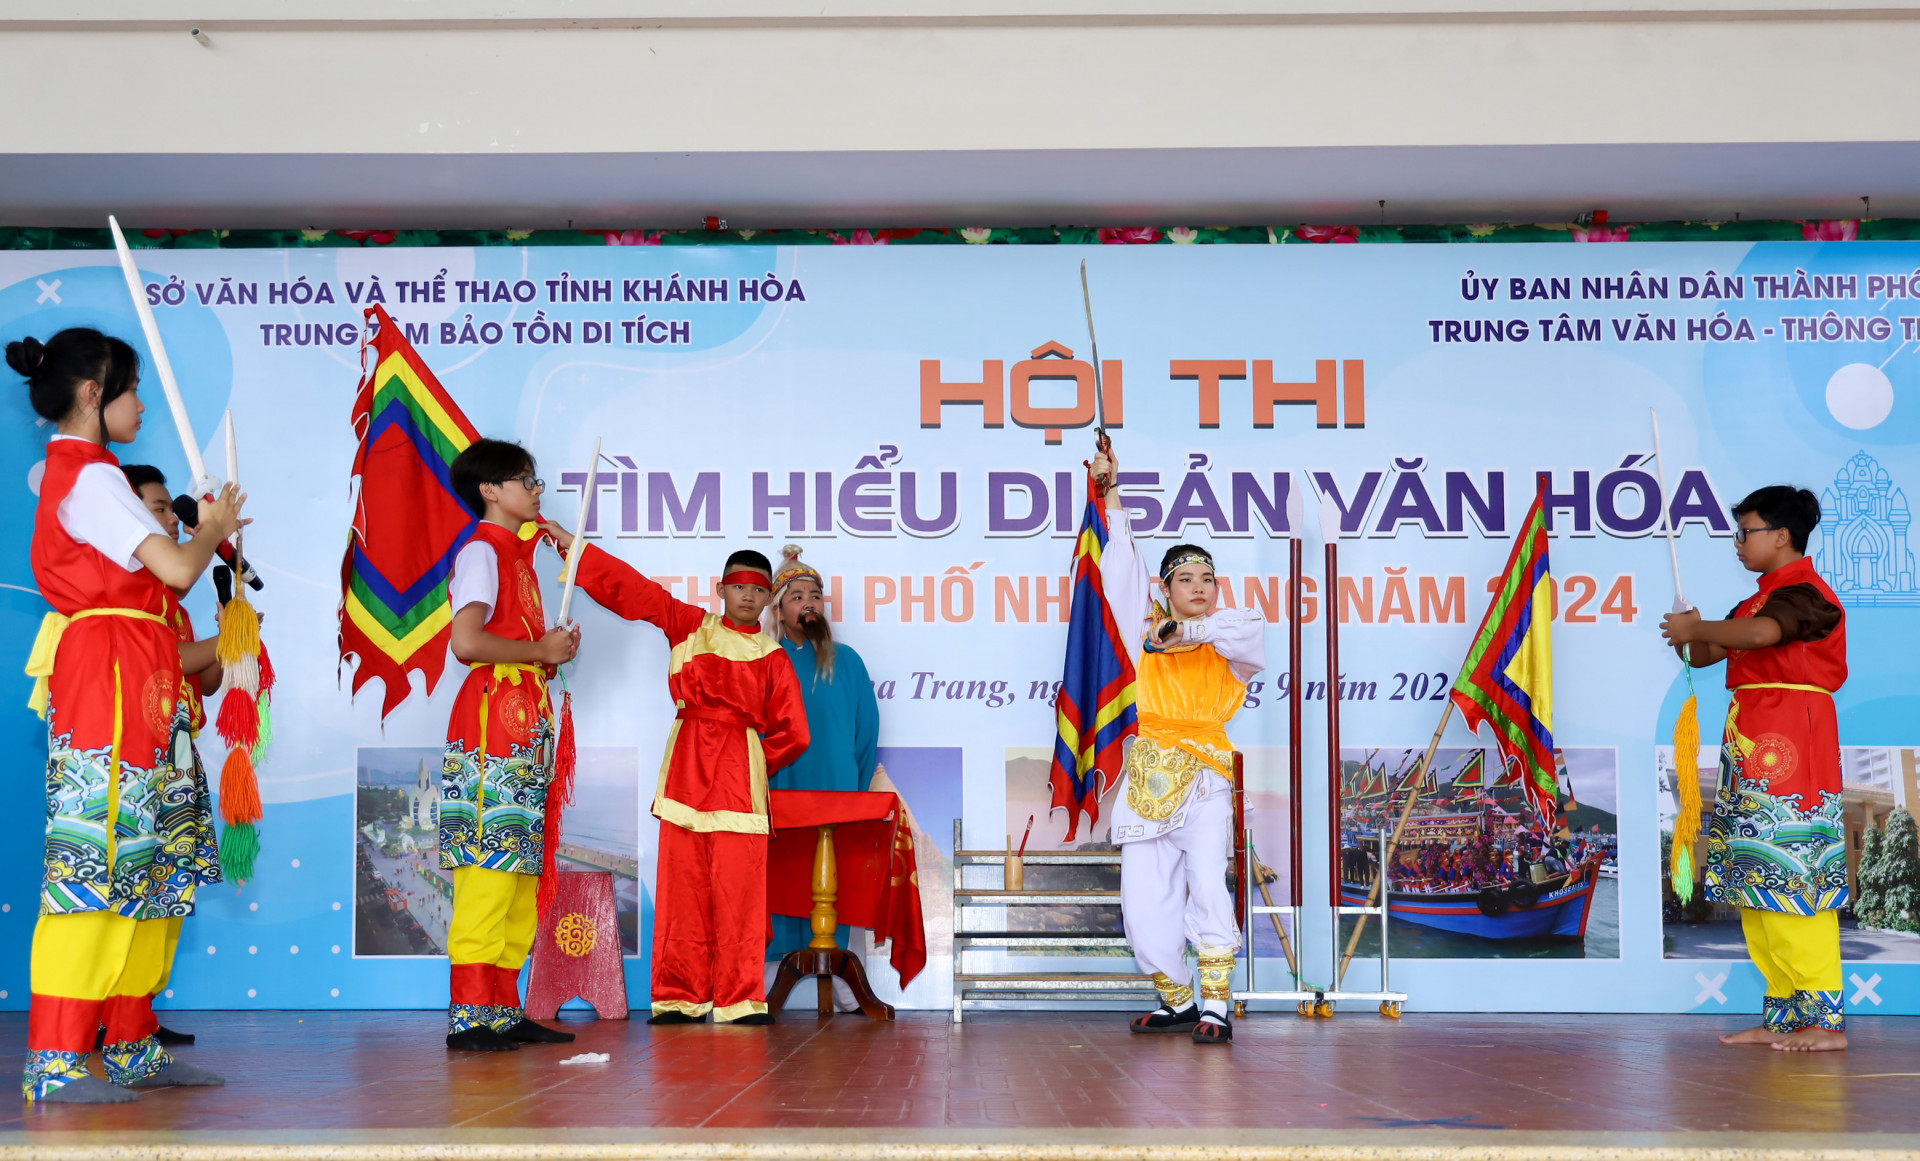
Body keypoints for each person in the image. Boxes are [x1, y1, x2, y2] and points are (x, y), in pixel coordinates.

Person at [11, 329, 242, 1102]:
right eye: (131, 389)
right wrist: (213, 526)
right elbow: (177, 567)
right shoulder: (88, 476)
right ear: (91, 394)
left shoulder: (94, 474)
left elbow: (165, 588)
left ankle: (135, 1039)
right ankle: (57, 1056)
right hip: (107, 675)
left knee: (154, 862)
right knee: (95, 861)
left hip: (143, 675)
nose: (141, 404)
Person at [554, 539, 808, 1024]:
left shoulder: (775, 657)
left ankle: (740, 1000)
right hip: (686, 771)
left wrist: (752, 758)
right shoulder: (690, 626)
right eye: (737, 587)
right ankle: (678, 997)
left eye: (757, 590)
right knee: (681, 892)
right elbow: (634, 591)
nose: (747, 597)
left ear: (768, 599)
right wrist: (575, 548)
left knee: (740, 897)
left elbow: (795, 732)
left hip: (738, 780)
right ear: (721, 590)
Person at [1662, 485, 1848, 1053]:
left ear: (1781, 535)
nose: (1738, 543)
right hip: (1751, 747)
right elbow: (1704, 652)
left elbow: (1764, 635)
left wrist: (1703, 629)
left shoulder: (1809, 595)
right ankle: (1785, 1017)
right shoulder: (1753, 603)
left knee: (1795, 878)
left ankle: (1825, 1022)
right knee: (1756, 884)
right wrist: (1690, 632)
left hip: (1795, 745)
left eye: (1746, 532)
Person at [1092, 440, 1265, 1045]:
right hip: (1149, 775)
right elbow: (1122, 565)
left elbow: (1241, 634)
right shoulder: (1143, 629)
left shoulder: (1229, 632)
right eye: (1184, 578)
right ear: (1165, 587)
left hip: (1208, 776)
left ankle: (1217, 1007)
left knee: (1210, 887)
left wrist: (1184, 631)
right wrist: (1111, 492)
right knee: (1142, 902)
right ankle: (1178, 1000)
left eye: (1207, 578)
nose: (1199, 585)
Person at [440, 439, 581, 1052]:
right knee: (487, 872)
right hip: (490, 727)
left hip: (524, 726)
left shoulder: (519, 555)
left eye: (537, 479)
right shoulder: (481, 550)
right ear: (490, 490)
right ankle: (470, 1013)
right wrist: (538, 652)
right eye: (525, 480)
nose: (536, 490)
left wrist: (549, 651)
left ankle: (500, 1008)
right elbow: (466, 643)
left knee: (520, 873)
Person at [123, 464, 223, 1049]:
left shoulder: (173, 601)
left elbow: (202, 681)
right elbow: (163, 661)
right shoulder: (131, 594)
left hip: (178, 752)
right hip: (143, 753)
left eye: (168, 509)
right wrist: (226, 640)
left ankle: (139, 1015)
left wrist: (228, 639)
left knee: (168, 886)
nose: (170, 518)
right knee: (138, 882)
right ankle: (117, 1015)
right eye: (158, 508)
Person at [761, 545, 880, 1006]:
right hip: (782, 787)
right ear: (778, 608)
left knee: (837, 879)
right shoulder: (764, 658)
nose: (808, 602)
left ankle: (845, 978)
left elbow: (865, 734)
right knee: (783, 873)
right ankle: (773, 977)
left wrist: (852, 788)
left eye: (815, 595)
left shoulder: (847, 660)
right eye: (796, 596)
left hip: (836, 790)